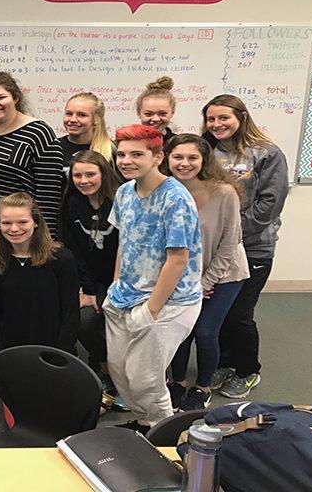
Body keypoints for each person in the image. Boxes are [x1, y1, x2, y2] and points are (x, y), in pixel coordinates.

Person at [105, 124, 202, 434]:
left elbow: (178, 259)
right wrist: (116, 284)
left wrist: (152, 310)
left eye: (136, 154)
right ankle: (147, 421)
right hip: (126, 295)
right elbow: (125, 242)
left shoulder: (175, 198)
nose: (126, 160)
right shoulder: (124, 192)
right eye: (121, 154)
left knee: (144, 376)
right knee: (120, 371)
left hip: (169, 301)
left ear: (158, 156)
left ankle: (163, 430)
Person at [202, 95, 288, 399]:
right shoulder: (206, 152)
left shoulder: (266, 153)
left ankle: (248, 369)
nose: (216, 124)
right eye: (211, 119)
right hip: (215, 249)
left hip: (253, 249)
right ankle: (225, 362)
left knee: (239, 313)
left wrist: (232, 234)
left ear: (241, 117)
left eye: (223, 118)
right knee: (218, 312)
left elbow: (269, 204)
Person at [163, 134, 250, 411]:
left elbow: (230, 243)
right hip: (183, 275)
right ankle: (177, 383)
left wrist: (204, 282)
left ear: (204, 161)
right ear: (166, 159)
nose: (184, 163)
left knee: (204, 332)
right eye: (178, 157)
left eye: (192, 157)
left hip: (224, 275)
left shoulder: (224, 193)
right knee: (180, 330)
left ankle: (201, 388)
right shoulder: (164, 190)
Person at [59, 150, 124, 410]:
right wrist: (86, 289)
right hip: (89, 280)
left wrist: (115, 287)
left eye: (90, 174)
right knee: (84, 321)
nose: (84, 180)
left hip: (122, 278)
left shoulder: (121, 201)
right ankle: (104, 366)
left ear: (103, 173)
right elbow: (74, 251)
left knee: (121, 323)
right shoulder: (72, 205)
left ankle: (125, 375)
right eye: (77, 175)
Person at [0, 71, 64, 234]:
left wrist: (46, 238)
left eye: (1, 97)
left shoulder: (39, 133)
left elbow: (48, 195)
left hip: (16, 228)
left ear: (15, 98)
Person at [0, 192, 79, 362]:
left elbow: (70, 312)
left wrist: (61, 354)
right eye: (6, 223)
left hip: (53, 351)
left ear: (35, 222)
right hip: (11, 352)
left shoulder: (62, 259)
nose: (14, 229)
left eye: (22, 222)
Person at [58, 92, 115, 175]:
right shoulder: (54, 148)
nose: (73, 119)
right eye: (69, 114)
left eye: (82, 115)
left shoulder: (110, 151)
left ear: (96, 119)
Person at [136, 76, 178, 145]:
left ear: (172, 113)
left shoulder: (178, 144)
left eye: (162, 113)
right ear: (139, 113)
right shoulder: (129, 142)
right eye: (148, 114)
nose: (155, 119)